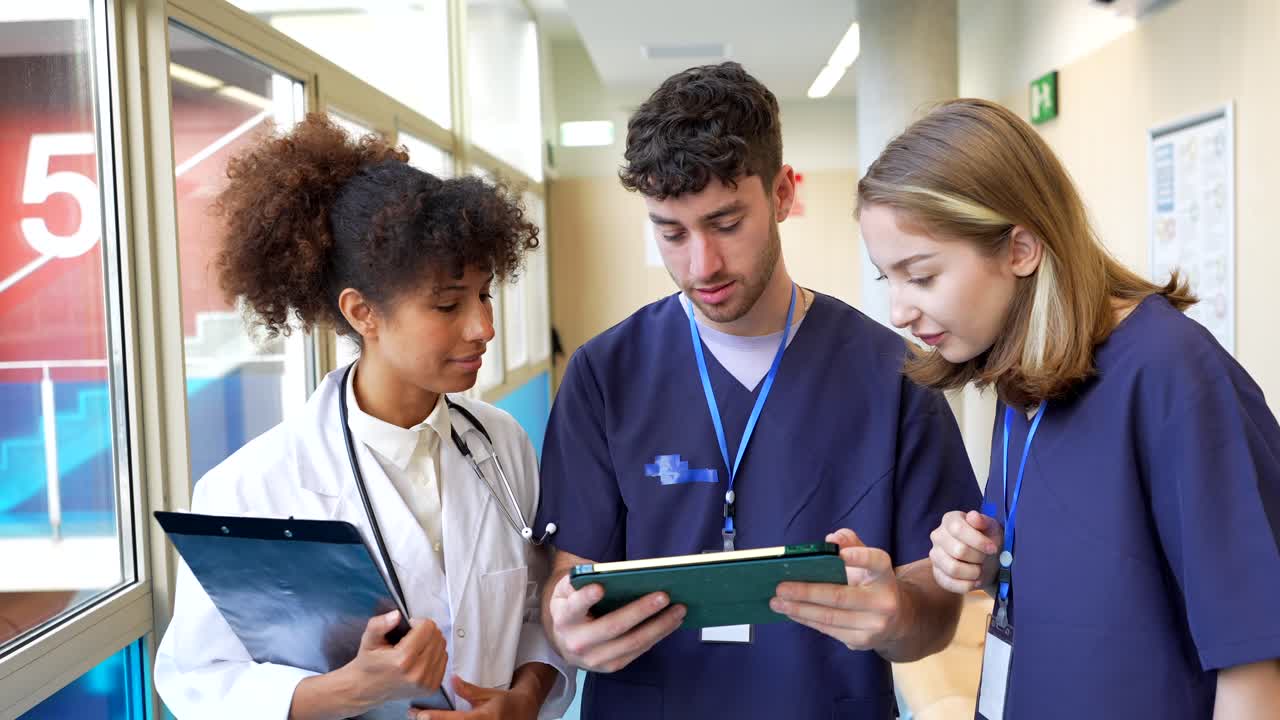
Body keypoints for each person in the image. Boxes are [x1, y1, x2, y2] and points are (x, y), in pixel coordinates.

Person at [534, 62, 981, 719]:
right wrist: (565, 625)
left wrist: (897, 616)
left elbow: (933, 611)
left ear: (781, 194)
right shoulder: (605, 375)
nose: (700, 265)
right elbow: (565, 580)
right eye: (671, 233)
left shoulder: (895, 377)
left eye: (725, 223)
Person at [858, 98, 1280, 718]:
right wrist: (982, 554)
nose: (899, 311)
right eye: (885, 279)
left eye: (920, 276)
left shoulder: (1168, 372)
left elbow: (1252, 655)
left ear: (1020, 250)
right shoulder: (1024, 374)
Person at [154, 114, 573, 720]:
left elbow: (537, 606)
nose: (483, 327)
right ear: (363, 312)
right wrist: (357, 687)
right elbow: (200, 681)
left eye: (484, 293)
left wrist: (525, 699)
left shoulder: (500, 443)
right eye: (447, 304)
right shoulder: (250, 486)